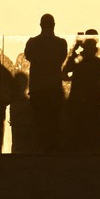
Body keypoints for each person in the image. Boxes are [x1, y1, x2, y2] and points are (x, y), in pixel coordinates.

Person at [24, 14, 69, 152]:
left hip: (38, 89)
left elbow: (28, 55)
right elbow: (61, 58)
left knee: (39, 123)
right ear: (54, 25)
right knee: (53, 123)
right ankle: (52, 153)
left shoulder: (33, 43)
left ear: (40, 25)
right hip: (54, 88)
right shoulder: (60, 43)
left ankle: (40, 152)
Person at [62, 30, 100, 153]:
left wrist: (76, 48)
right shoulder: (99, 60)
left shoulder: (84, 60)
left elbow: (66, 71)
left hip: (81, 102)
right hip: (91, 102)